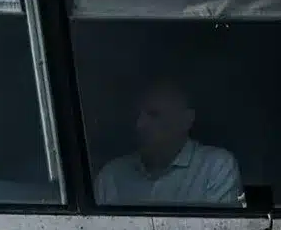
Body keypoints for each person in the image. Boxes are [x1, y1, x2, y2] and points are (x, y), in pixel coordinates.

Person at [94, 78, 241, 205]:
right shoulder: (111, 177)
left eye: (153, 115)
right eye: (137, 115)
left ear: (186, 120)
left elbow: (221, 229)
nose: (140, 124)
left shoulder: (214, 168)